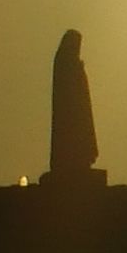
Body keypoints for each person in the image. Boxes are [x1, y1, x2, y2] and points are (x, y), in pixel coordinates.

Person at [48, 31, 102, 183]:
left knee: (82, 135)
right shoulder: (67, 64)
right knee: (74, 135)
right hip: (72, 114)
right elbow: (70, 90)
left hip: (80, 112)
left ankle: (81, 160)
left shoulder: (72, 64)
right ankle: (73, 161)